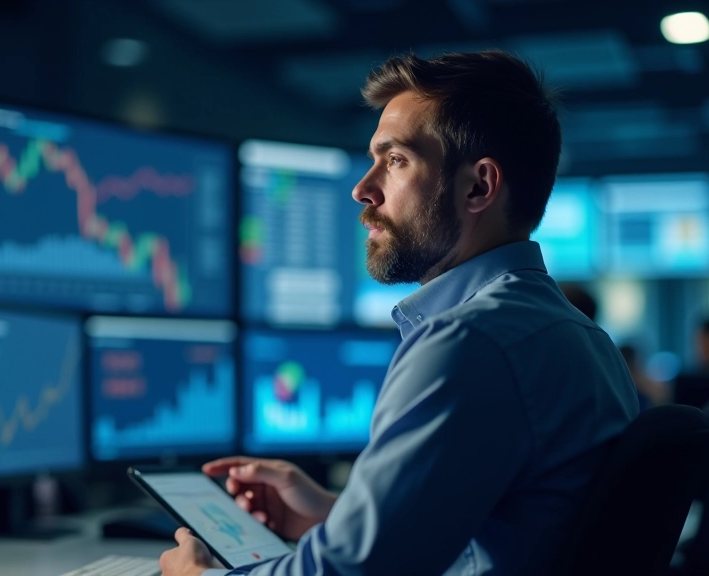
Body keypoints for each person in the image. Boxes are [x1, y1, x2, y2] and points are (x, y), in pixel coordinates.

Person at [159, 50, 638, 576]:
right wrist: (336, 517)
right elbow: (498, 537)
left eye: (395, 160)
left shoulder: (471, 344)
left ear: (478, 186)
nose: (362, 189)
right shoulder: (575, 335)